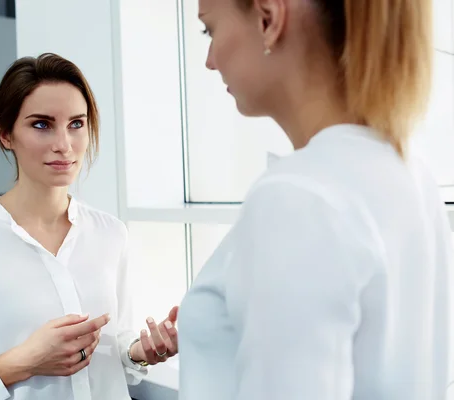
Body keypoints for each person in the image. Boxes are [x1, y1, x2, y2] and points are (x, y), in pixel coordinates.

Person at [179, 0, 452, 399]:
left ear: (268, 19)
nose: (210, 60)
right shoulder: (411, 175)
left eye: (210, 30)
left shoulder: (297, 197)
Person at [0, 53, 178, 400]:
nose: (64, 144)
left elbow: (113, 351)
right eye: (42, 124)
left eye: (77, 123)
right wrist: (22, 362)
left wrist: (141, 351)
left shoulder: (111, 234)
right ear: (5, 134)